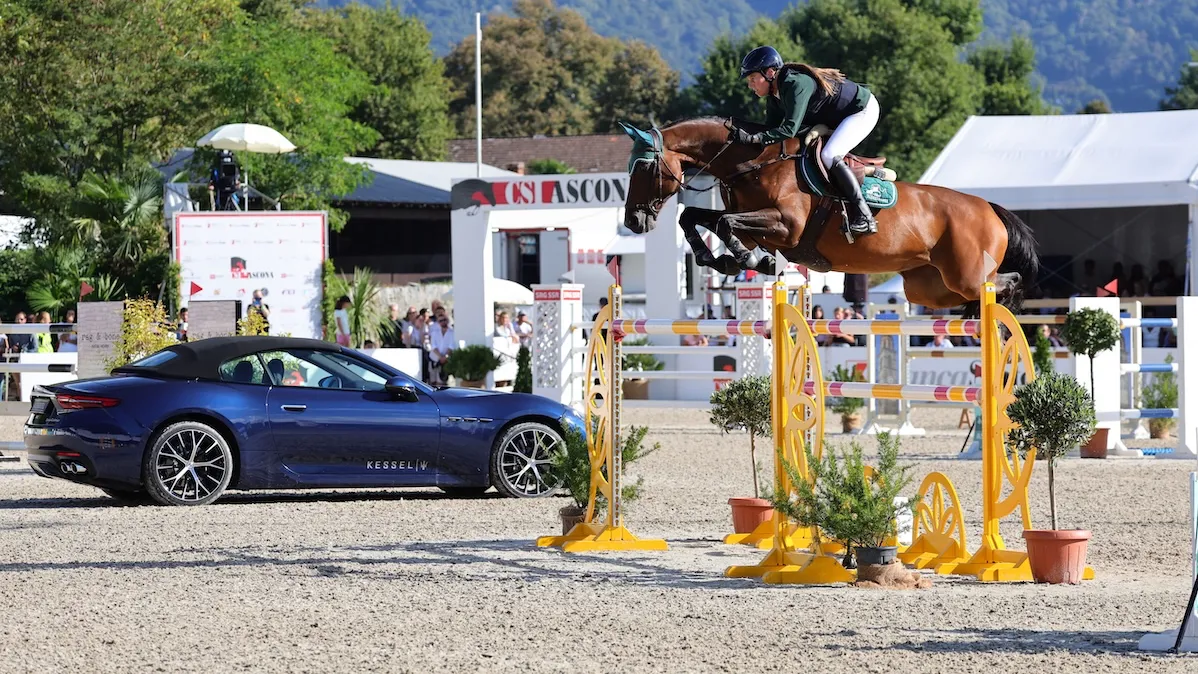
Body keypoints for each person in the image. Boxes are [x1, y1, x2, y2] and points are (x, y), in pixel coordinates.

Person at [732, 46, 881, 236]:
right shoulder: (774, 97)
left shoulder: (795, 84)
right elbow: (770, 132)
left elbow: (788, 129)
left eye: (753, 79)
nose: (750, 85)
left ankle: (865, 216)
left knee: (829, 155)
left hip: (861, 110)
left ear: (770, 73)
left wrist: (755, 138)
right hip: (835, 117)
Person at [428, 315, 456, 385]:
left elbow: (451, 346)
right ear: (438, 322)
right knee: (432, 382)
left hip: (446, 360)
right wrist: (440, 357)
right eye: (441, 321)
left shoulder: (452, 332)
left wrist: (445, 357)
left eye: (444, 320)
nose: (443, 322)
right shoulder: (434, 333)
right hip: (434, 360)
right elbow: (433, 346)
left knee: (442, 382)